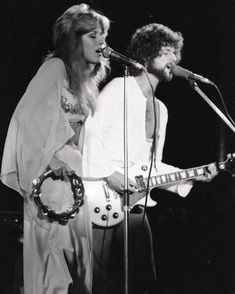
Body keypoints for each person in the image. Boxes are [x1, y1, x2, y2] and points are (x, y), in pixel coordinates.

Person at [82, 23, 218, 294]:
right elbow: (89, 134)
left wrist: (192, 175)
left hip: (135, 204)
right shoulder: (118, 88)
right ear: (146, 55)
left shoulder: (161, 110)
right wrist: (109, 173)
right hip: (101, 199)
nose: (174, 59)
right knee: (95, 282)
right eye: (167, 51)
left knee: (144, 281)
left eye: (175, 53)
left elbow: (152, 166)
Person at [0, 3, 110, 294]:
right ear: (73, 39)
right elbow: (26, 117)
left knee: (77, 268)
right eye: (92, 35)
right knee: (54, 268)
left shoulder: (81, 82)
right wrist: (51, 156)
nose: (102, 41)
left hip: (72, 183)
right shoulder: (54, 68)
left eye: (103, 35)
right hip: (52, 185)